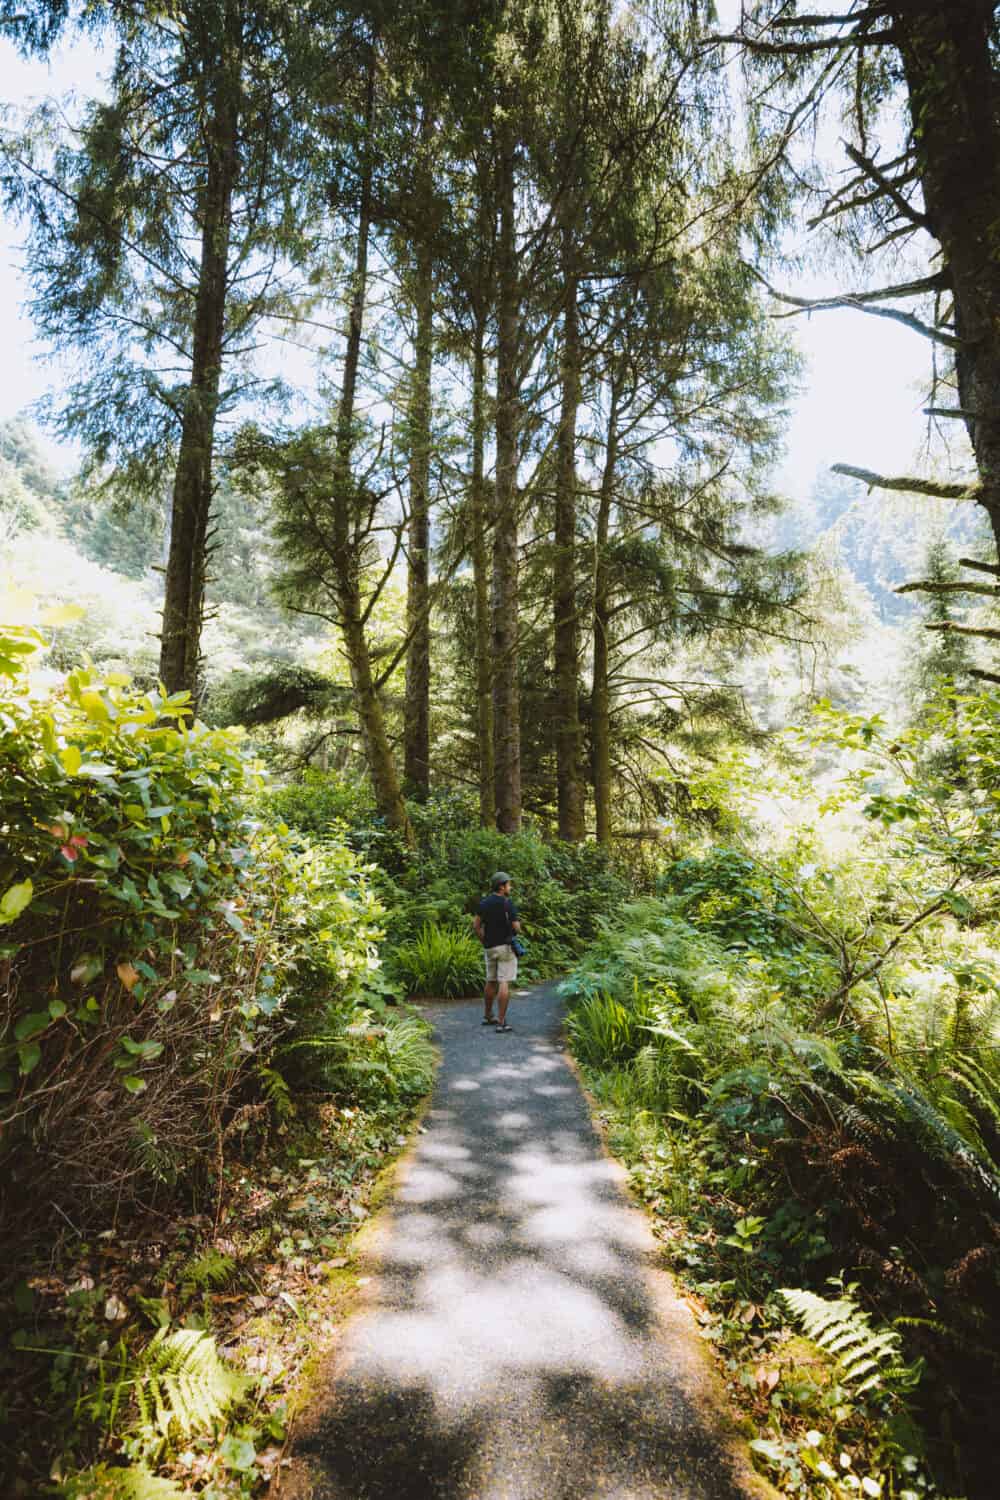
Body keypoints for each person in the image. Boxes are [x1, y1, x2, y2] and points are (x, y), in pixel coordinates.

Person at [473, 871, 521, 1032]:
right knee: (503, 981)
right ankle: (501, 1022)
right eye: (508, 884)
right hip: (505, 948)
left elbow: (476, 926)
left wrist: (484, 941)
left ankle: (488, 1016)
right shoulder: (507, 904)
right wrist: (517, 926)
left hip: (489, 948)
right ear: (501, 886)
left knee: (490, 980)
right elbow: (516, 928)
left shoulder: (484, 903)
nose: (510, 887)